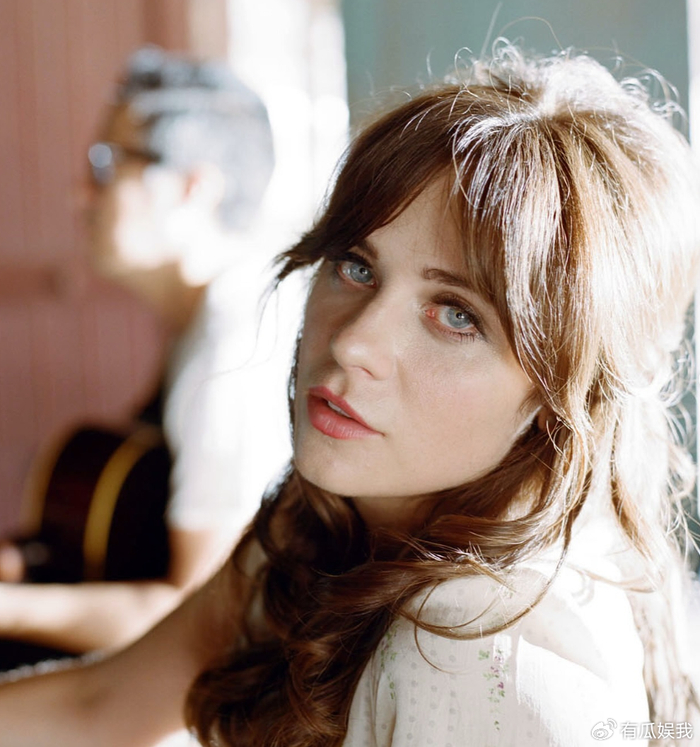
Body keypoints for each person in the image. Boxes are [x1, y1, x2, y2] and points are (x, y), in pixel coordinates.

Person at [0, 42, 698, 747]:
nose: (354, 342)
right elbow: (95, 706)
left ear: (560, 392)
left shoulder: (481, 666)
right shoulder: (325, 523)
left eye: (457, 315)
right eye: (357, 266)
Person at [0, 47, 295, 658]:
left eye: (106, 164)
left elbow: (200, 616)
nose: (80, 195)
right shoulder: (204, 318)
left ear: (193, 188)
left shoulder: (237, 350)